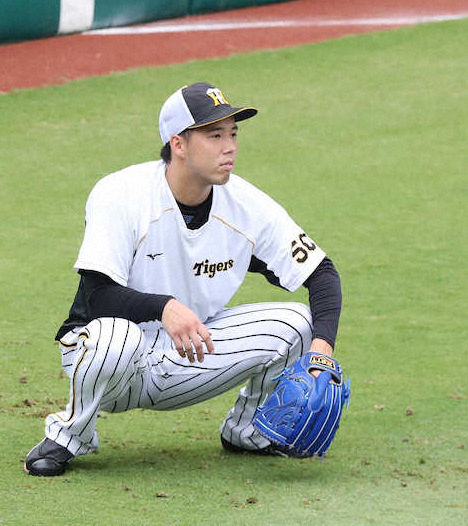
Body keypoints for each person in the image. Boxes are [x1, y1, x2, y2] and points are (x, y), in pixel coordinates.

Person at [24, 82, 342, 475]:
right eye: (214, 136)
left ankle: (247, 431)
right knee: (115, 337)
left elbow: (321, 272)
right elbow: (97, 296)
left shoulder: (247, 206)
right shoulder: (121, 193)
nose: (229, 147)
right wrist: (164, 307)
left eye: (232, 134)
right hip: (107, 365)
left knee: (297, 324)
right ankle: (70, 435)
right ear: (178, 144)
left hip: (188, 356)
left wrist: (321, 350)